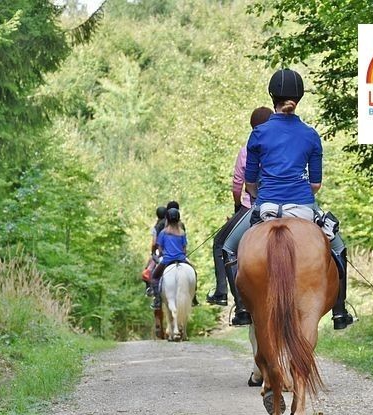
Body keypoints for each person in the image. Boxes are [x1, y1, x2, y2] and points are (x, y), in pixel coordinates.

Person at [222, 68, 354, 329]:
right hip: (303, 206)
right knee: (338, 249)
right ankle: (340, 312)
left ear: (272, 96)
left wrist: (259, 196)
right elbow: (315, 184)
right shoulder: (310, 135)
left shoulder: (258, 133)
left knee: (228, 247)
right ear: (299, 97)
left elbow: (250, 183)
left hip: (266, 206)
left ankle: (243, 309)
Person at [206, 107, 273, 326]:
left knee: (221, 245)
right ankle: (339, 307)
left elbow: (238, 184)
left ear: (253, 127)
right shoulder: (282, 146)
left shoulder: (247, 150)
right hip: (292, 203)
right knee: (330, 240)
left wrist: (238, 205)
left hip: (254, 206)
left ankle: (232, 300)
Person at [150, 208, 190, 309]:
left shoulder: (163, 232)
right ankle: (194, 298)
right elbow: (184, 248)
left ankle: (157, 300)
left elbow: (159, 248)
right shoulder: (182, 233)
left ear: (167, 219)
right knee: (194, 273)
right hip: (181, 259)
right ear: (178, 219)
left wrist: (162, 253)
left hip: (167, 260)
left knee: (154, 277)